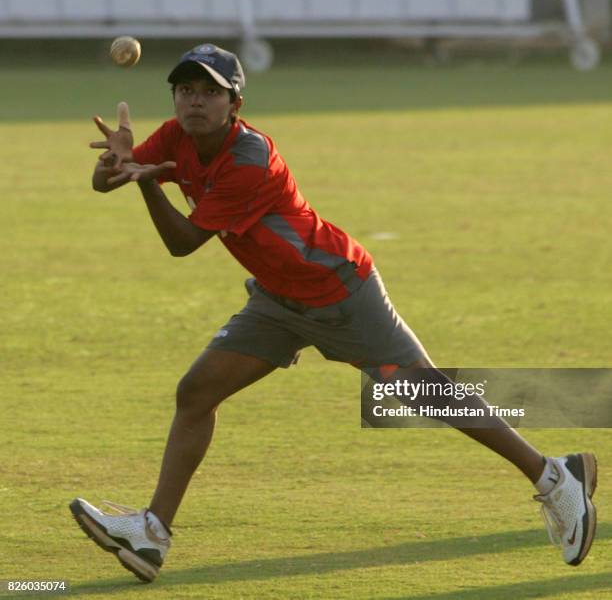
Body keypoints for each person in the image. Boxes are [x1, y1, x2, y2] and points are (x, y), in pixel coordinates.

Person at [69, 44, 598, 583]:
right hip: (276, 300)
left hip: (340, 293)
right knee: (197, 392)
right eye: (186, 91)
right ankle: (153, 532)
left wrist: (144, 183)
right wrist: (118, 160)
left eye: (210, 92)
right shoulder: (177, 137)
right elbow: (105, 180)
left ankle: (555, 478)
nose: (195, 101)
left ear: (235, 103)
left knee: (427, 393)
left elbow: (182, 243)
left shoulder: (248, 158)